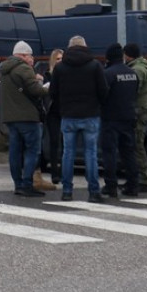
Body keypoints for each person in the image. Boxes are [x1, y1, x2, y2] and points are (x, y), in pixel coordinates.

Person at [51, 34, 109, 203]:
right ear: (85, 46)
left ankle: (67, 191)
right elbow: (104, 91)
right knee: (90, 153)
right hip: (90, 115)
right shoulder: (94, 66)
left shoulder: (61, 68)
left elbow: (53, 92)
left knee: (68, 153)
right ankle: (93, 191)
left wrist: (64, 104)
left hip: (68, 115)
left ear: (69, 48)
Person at [0, 40, 50, 197]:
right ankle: (27, 183)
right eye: (30, 56)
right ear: (22, 55)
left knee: (15, 152)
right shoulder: (24, 69)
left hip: (10, 118)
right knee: (32, 151)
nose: (32, 59)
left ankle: (18, 184)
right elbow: (36, 91)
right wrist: (44, 85)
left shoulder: (4, 70)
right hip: (27, 117)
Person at [99, 43, 141, 199]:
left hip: (111, 118)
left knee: (109, 152)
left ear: (108, 57)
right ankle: (133, 185)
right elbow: (135, 94)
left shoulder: (108, 74)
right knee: (129, 152)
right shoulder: (132, 73)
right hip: (129, 117)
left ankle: (111, 186)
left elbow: (102, 95)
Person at [124, 42, 147, 192]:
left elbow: (132, 89)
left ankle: (142, 179)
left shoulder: (137, 70)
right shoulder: (141, 67)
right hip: (140, 111)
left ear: (128, 55)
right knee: (136, 145)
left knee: (137, 146)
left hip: (137, 111)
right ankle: (138, 177)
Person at [38, 48, 65, 186]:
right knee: (54, 142)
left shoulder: (67, 74)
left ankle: (63, 171)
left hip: (65, 111)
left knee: (65, 143)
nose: (60, 61)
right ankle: (55, 172)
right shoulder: (48, 75)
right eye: (58, 59)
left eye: (62, 58)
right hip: (53, 112)